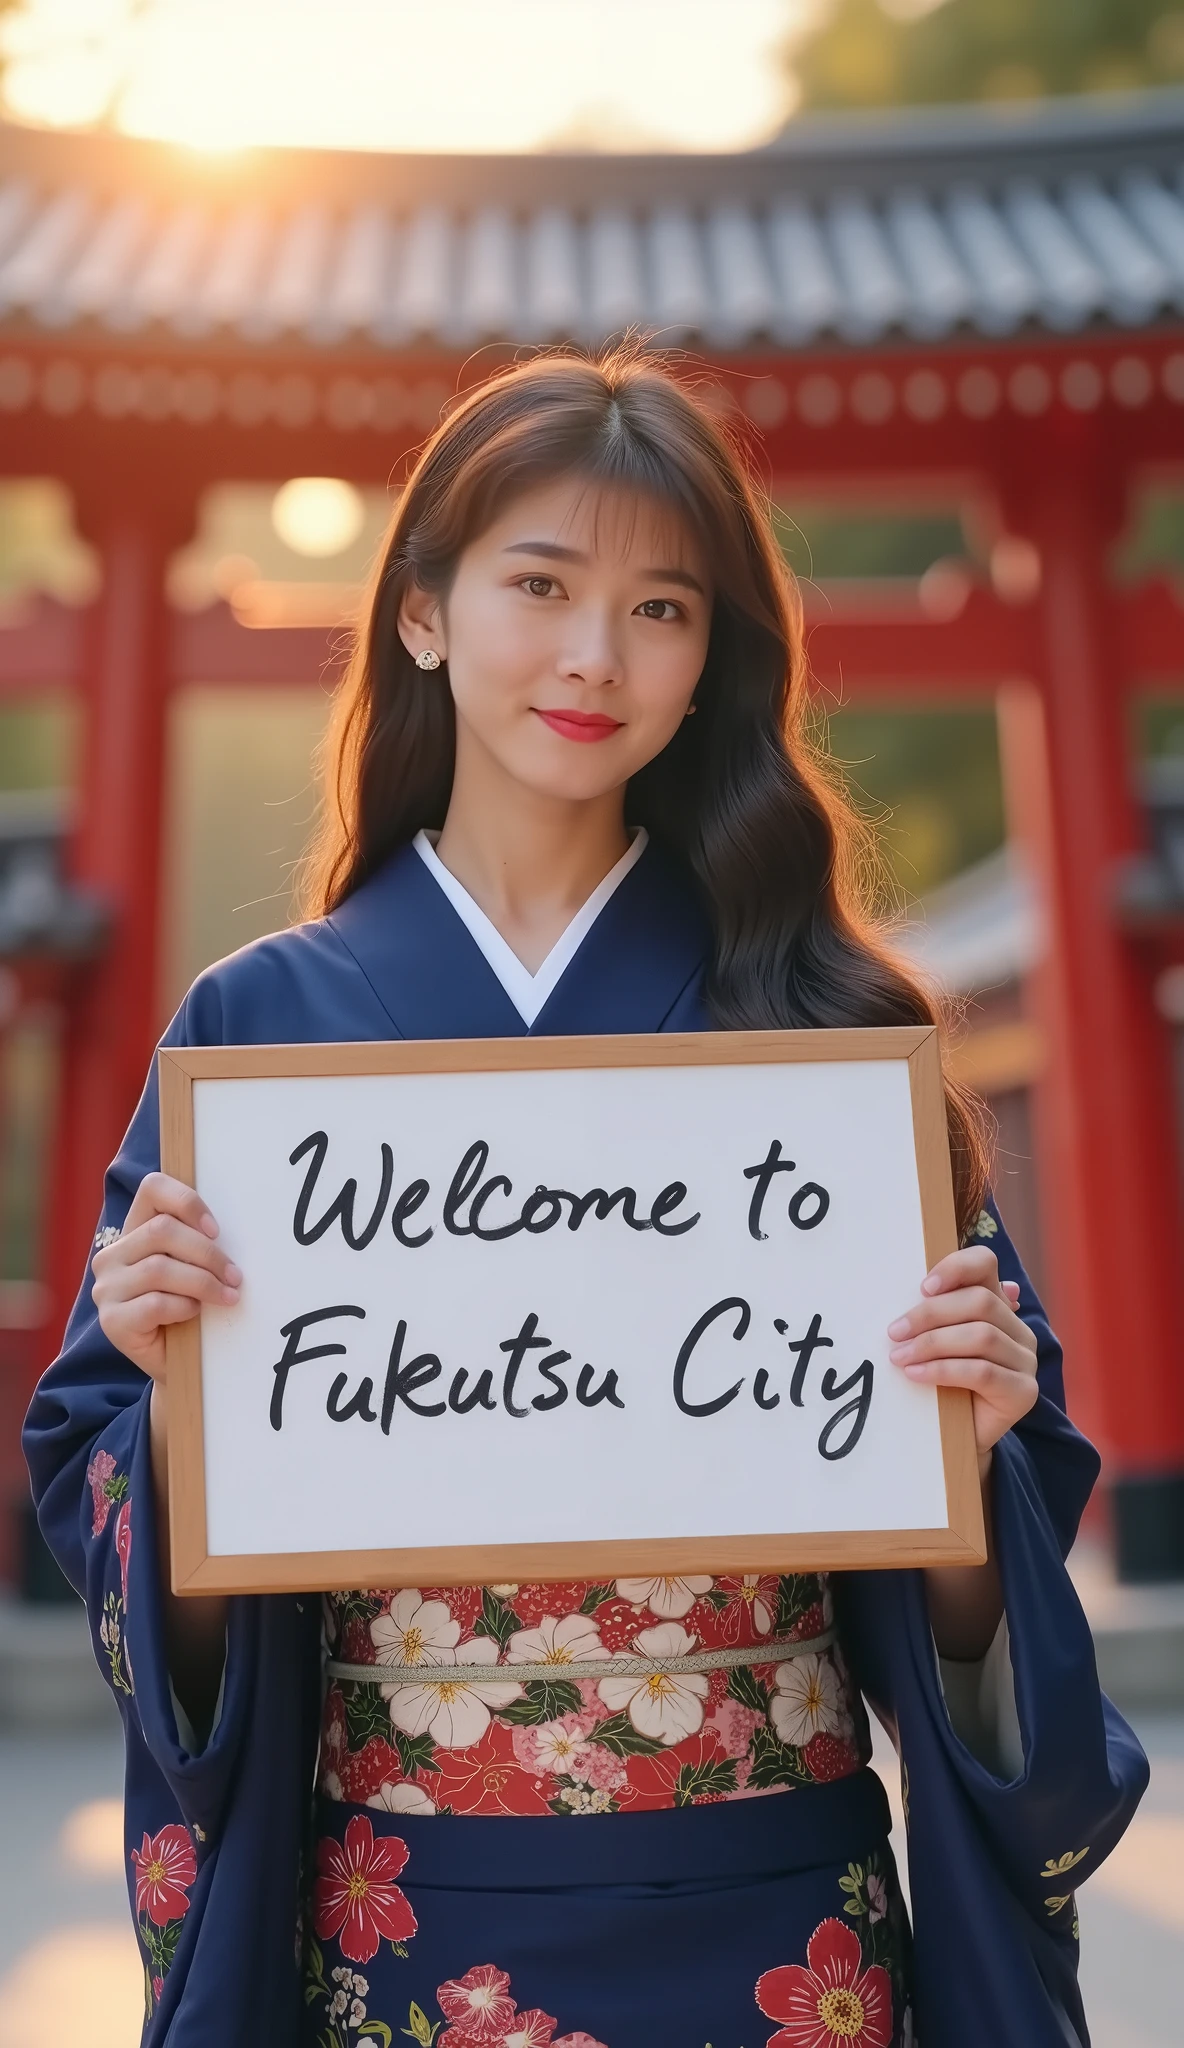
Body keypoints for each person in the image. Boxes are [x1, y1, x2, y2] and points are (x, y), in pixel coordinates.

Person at [25, 347, 1145, 2048]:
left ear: (712, 662)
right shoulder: (258, 1032)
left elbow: (974, 1585)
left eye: (661, 609)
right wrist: (181, 1404)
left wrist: (976, 1439)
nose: (592, 657)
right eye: (540, 585)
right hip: (408, 1925)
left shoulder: (829, 1038)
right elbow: (111, 1501)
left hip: (779, 1928)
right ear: (422, 614)